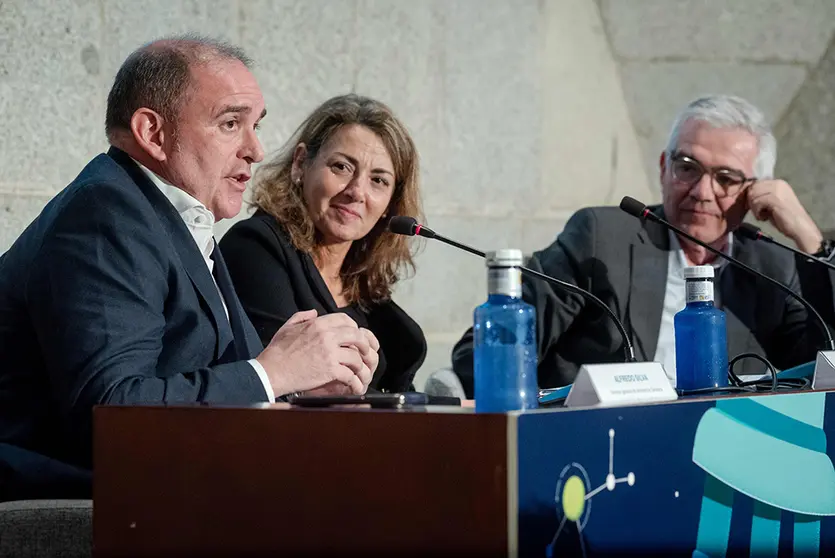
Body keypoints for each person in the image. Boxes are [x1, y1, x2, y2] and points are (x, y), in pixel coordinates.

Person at [0, 36, 378, 500]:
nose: (256, 150)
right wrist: (272, 374)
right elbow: (111, 414)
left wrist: (300, 389)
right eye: (230, 123)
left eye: (256, 125)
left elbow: (221, 382)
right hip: (85, 501)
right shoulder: (106, 214)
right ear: (153, 133)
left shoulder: (178, 221)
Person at [452, 94, 835, 395]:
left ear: (755, 192)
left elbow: (821, 372)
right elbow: (486, 351)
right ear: (663, 168)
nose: (702, 192)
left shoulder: (772, 267)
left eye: (726, 178)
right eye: (687, 167)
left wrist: (809, 237)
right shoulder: (602, 238)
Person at [220, 94, 425, 394]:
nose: (357, 191)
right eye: (342, 167)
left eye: (378, 180)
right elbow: (280, 386)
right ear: (301, 164)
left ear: (390, 205)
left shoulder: (367, 288)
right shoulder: (255, 247)